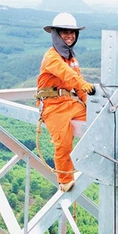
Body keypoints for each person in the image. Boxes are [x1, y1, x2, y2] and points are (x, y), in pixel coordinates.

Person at [36, 13, 96, 192]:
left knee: (99, 124)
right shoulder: (52, 57)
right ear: (56, 34)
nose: (70, 36)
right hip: (53, 106)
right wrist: (83, 84)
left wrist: (91, 104)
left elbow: (78, 83)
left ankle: (95, 162)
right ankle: (65, 179)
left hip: (69, 102)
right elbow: (67, 74)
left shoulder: (71, 57)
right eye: (65, 32)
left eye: (72, 33)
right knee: (63, 143)